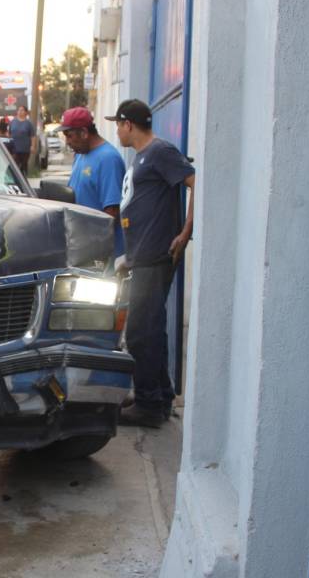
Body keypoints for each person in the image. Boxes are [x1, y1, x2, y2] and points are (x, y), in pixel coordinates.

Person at [106, 98, 195, 428]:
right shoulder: (143, 157)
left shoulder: (160, 151)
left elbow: (195, 181)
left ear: (128, 124)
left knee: (142, 331)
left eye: (118, 124)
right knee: (149, 329)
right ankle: (158, 395)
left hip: (157, 256)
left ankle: (147, 403)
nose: (116, 130)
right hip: (141, 255)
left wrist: (186, 230)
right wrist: (129, 256)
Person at [60, 107, 125, 259]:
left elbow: (111, 213)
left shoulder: (108, 159)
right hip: (82, 248)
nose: (67, 142)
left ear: (84, 132)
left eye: (69, 136)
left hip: (102, 254)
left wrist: (93, 249)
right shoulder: (80, 155)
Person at [7, 105, 36, 176]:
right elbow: (9, 134)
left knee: (23, 165)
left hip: (25, 148)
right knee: (15, 165)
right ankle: (16, 180)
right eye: (19, 110)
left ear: (26, 112)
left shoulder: (28, 123)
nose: (20, 112)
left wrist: (32, 146)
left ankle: (24, 179)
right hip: (14, 148)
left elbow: (33, 136)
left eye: (22, 110)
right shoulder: (13, 122)